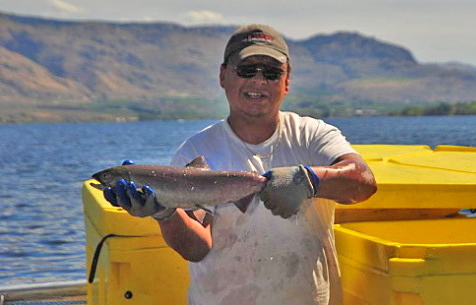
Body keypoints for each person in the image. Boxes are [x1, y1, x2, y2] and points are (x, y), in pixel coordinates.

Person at [103, 24, 377, 304]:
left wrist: (310, 180)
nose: (258, 81)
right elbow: (197, 248)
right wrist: (165, 214)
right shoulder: (198, 149)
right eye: (247, 70)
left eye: (271, 73)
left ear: (286, 81)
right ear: (223, 75)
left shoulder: (312, 136)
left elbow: (364, 182)